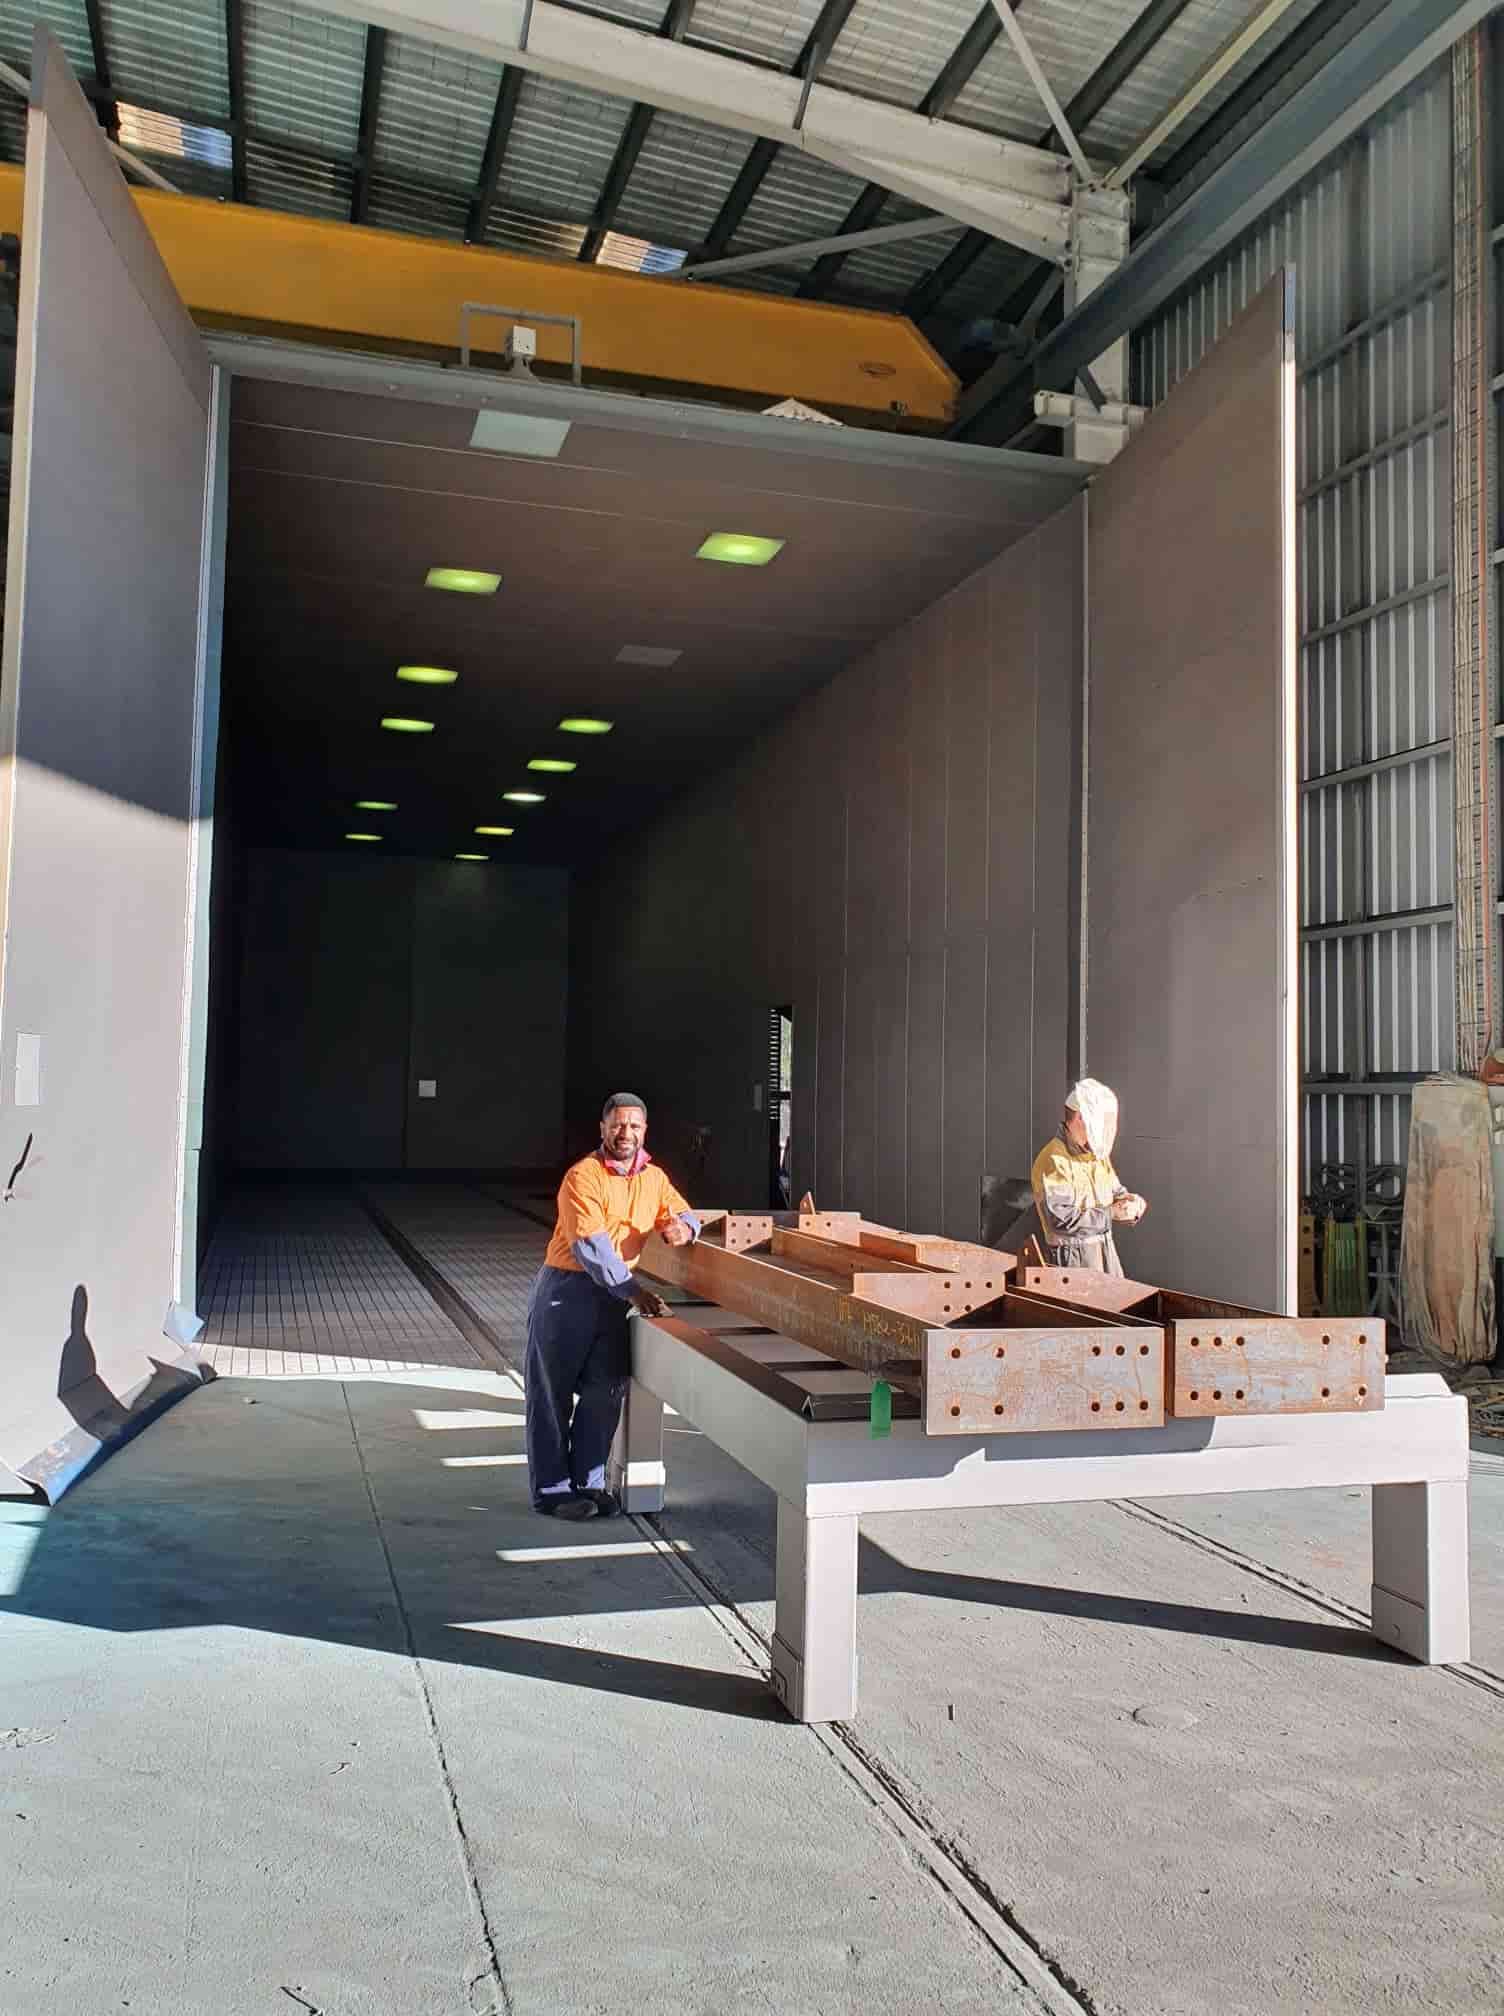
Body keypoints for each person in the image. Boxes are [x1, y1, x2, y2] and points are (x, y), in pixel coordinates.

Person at [524, 1093, 700, 1521]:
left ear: (645, 1131)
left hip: (615, 1299)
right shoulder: (582, 1177)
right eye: (618, 1125)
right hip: (567, 1293)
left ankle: (589, 1484)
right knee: (552, 1394)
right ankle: (552, 1492)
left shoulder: (653, 1178)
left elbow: (682, 1212)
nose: (626, 1133)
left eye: (635, 1126)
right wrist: (634, 1291)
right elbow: (591, 1246)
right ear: (602, 1129)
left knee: (605, 1392)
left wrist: (684, 1228)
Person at [1029, 1078, 1148, 1277]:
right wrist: (1110, 1214)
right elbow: (1062, 1220)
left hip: (1106, 1256)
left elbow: (1116, 1193)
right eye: (1099, 1122)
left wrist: (1131, 1204)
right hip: (1072, 1264)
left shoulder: (1096, 1155)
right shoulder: (1054, 1160)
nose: (1102, 1129)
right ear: (1080, 1118)